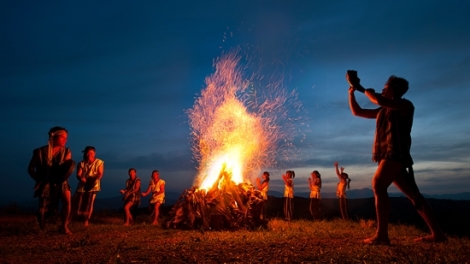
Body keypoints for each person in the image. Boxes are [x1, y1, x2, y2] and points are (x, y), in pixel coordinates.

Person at [347, 71, 446, 245]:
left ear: (394, 89)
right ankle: (437, 235)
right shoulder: (383, 110)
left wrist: (363, 89)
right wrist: (352, 92)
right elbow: (358, 112)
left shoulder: (405, 105)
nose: (382, 90)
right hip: (388, 156)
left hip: (395, 154)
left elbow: (379, 99)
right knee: (414, 195)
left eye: (385, 87)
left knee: (378, 184)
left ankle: (382, 235)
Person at [27, 126, 76, 234]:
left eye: (66, 138)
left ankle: (64, 226)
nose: (65, 140)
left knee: (67, 201)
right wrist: (38, 179)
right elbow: (30, 168)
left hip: (61, 180)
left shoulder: (66, 151)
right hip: (46, 180)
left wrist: (61, 176)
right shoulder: (39, 152)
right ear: (54, 137)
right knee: (43, 207)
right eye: (63, 137)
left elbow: (66, 168)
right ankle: (42, 226)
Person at [72, 146, 104, 226]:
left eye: (92, 153)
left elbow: (100, 174)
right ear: (86, 154)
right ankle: (74, 217)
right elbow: (78, 174)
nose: (90, 154)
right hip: (82, 184)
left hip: (93, 184)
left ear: (94, 153)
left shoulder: (99, 162)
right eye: (88, 153)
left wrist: (94, 178)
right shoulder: (81, 163)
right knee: (77, 200)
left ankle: (86, 220)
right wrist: (81, 178)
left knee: (90, 202)